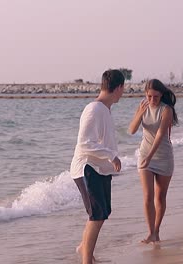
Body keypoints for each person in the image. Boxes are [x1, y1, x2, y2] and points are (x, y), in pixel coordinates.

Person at [70, 69, 125, 263]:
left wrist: (111, 158)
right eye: (123, 89)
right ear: (119, 87)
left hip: (99, 167)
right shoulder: (94, 109)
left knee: (102, 213)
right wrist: (112, 156)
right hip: (87, 167)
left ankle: (85, 248)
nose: (123, 93)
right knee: (97, 214)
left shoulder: (105, 109)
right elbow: (84, 143)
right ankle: (86, 259)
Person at [127, 79, 178, 244]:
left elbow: (160, 135)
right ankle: (150, 233)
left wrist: (150, 156)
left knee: (160, 196)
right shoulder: (143, 106)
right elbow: (131, 130)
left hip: (163, 157)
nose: (152, 100)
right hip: (144, 155)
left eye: (155, 96)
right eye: (149, 96)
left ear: (161, 95)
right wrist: (140, 114)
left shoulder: (166, 110)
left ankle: (156, 231)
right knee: (148, 196)